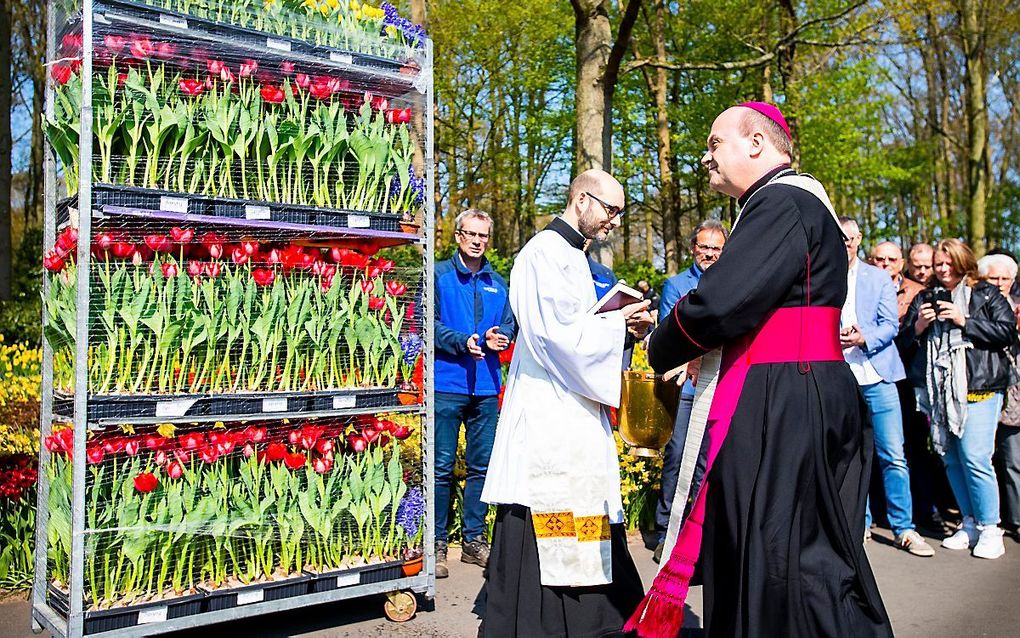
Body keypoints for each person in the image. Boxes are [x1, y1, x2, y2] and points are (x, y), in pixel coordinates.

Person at [628, 102, 891, 637]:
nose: (706, 157)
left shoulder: (781, 202)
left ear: (756, 143)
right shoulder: (787, 202)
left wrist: (660, 343)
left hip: (783, 395)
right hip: (802, 386)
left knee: (777, 551)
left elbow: (722, 303)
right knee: (798, 550)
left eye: (714, 142)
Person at [480, 169, 653, 637]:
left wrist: (622, 323)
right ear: (581, 199)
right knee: (548, 501)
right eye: (610, 210)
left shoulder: (574, 255)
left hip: (573, 405)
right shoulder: (542, 253)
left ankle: (588, 617)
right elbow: (556, 337)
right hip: (548, 411)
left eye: (620, 212)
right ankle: (545, 622)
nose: (615, 221)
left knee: (584, 502)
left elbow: (576, 327)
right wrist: (618, 326)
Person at [899, 239, 1018, 560]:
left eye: (947, 262)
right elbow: (905, 342)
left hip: (979, 388)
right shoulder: (925, 296)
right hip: (939, 394)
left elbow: (1007, 331)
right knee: (950, 458)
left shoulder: (985, 293)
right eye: (938, 263)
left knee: (976, 458)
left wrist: (965, 321)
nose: (941, 268)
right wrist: (920, 325)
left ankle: (991, 528)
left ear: (962, 262)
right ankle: (970, 523)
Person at [840, 219, 935, 556]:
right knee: (849, 455)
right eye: (840, 238)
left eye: (850, 238)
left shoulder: (877, 277)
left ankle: (904, 528)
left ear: (859, 239)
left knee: (893, 455)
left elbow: (890, 326)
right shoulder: (823, 274)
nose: (845, 243)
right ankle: (858, 524)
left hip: (879, 375)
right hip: (841, 377)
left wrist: (863, 337)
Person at [433, 209, 517, 578]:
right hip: (447, 383)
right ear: (457, 236)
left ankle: (473, 540)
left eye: (484, 235)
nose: (478, 241)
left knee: (482, 468)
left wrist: (502, 339)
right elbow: (427, 325)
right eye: (471, 234)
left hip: (486, 386)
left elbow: (511, 326)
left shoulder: (499, 284)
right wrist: (459, 341)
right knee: (440, 467)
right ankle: (435, 542)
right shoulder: (437, 276)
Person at [652, 219, 729, 563]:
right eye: (704, 247)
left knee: (706, 462)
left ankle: (694, 536)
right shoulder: (676, 284)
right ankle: (666, 530)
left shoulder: (733, 282)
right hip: (686, 383)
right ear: (693, 248)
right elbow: (671, 332)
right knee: (678, 455)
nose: (709, 253)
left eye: (716, 248)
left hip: (719, 383)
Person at [872, 240, 957, 532]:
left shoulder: (923, 293)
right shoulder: (866, 285)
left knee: (920, 449)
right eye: (916, 266)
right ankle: (884, 511)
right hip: (886, 376)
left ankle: (928, 509)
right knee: (887, 448)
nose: (922, 272)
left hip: (920, 380)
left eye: (927, 266)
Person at [979, 253, 1020, 541]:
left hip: (1014, 390)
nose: (1000, 283)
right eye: (994, 278)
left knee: (1014, 456)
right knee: (994, 457)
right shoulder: (977, 304)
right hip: (988, 387)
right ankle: (1005, 517)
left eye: (1005, 279)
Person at [871, 241, 924, 320]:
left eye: (892, 259)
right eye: (880, 259)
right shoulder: (860, 289)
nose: (886, 263)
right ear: (870, 262)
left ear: (901, 264)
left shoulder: (918, 292)